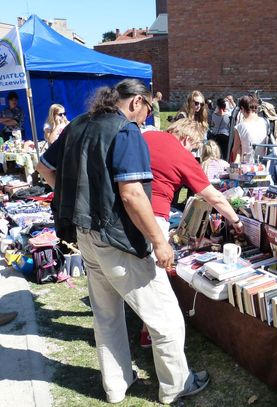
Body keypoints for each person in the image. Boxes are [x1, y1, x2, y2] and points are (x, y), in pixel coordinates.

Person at [36, 79, 208, 405]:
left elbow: (44, 168)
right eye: (148, 109)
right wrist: (159, 241)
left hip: (86, 235)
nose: (146, 117)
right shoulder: (125, 131)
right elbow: (131, 195)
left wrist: (72, 197)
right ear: (136, 102)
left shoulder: (78, 124)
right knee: (165, 317)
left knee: (107, 316)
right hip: (117, 239)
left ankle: (115, 385)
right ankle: (176, 385)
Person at [139, 120, 242, 347]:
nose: (193, 152)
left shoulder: (145, 137)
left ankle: (146, 328)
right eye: (193, 146)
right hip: (154, 215)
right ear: (186, 138)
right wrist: (235, 220)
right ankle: (155, 335)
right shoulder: (180, 153)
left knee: (141, 272)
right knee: (156, 278)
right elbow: (213, 196)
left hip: (127, 211)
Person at [230, 95, 268, 163]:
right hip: (263, 164)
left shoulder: (240, 127)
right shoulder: (265, 122)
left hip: (246, 165)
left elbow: (235, 150)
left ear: (242, 108)